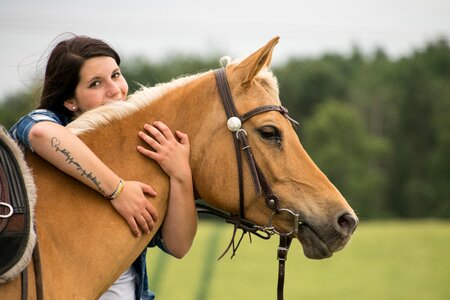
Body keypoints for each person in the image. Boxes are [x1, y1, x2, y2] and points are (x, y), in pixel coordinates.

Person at [9, 34, 197, 300]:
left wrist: (181, 175)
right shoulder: (51, 125)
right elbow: (41, 134)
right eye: (96, 83)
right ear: (70, 101)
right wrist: (117, 190)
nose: (115, 90)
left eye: (116, 75)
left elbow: (178, 246)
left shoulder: (138, 147)